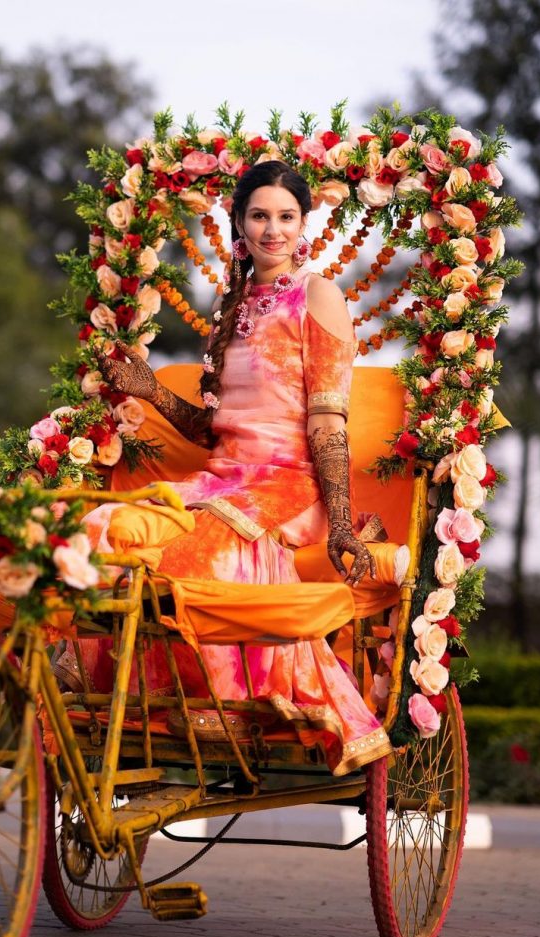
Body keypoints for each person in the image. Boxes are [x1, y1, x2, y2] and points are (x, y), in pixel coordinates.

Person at [63, 160, 394, 776]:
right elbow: (215, 427)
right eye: (260, 216)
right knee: (116, 526)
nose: (273, 230)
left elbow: (328, 421)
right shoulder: (234, 303)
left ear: (304, 223)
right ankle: (118, 693)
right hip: (224, 478)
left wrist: (342, 524)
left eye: (286, 217)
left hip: (285, 485)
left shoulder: (315, 296)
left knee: (185, 557)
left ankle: (220, 698)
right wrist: (152, 393)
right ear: (239, 224)